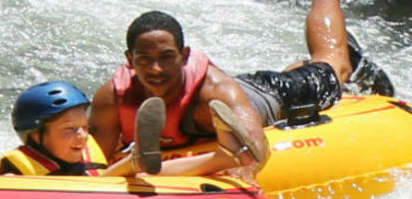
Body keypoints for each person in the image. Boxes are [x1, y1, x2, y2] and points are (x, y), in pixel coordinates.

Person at [89, 1, 395, 178]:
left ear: (184, 56)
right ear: (130, 61)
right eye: (145, 60)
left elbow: (255, 154)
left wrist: (222, 159)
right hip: (241, 90)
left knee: (333, 64)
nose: (156, 70)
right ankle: (297, 65)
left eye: (167, 58)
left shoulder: (216, 92)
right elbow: (91, 165)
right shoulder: (113, 97)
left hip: (270, 95)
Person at [0, 81, 172, 180]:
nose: (82, 136)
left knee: (135, 175)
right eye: (70, 129)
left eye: (85, 128)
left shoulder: (88, 154)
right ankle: (136, 159)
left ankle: (140, 158)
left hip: (99, 194)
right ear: (36, 136)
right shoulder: (22, 170)